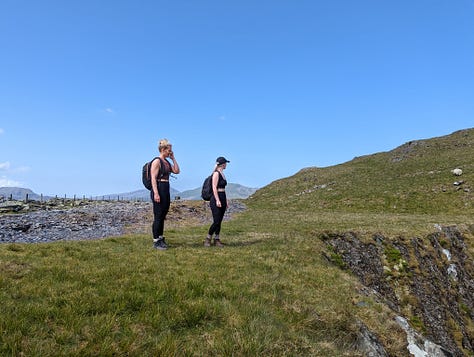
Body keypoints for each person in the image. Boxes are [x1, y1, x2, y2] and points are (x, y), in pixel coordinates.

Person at [150, 138, 180, 250]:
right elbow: (153, 178)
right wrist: (156, 194)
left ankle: (161, 238)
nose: (170, 152)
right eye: (169, 150)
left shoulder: (166, 162)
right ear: (163, 149)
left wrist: (173, 158)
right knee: (158, 216)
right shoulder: (157, 161)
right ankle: (156, 241)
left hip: (166, 188)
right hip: (159, 187)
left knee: (163, 215)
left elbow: (177, 171)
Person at [205, 156, 230, 247]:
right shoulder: (216, 174)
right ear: (222, 164)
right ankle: (208, 238)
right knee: (216, 221)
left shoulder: (222, 174)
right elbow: (214, 187)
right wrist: (217, 200)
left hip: (222, 196)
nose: (226, 164)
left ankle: (217, 239)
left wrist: (226, 200)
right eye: (225, 163)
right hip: (216, 198)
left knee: (219, 221)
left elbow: (223, 189)